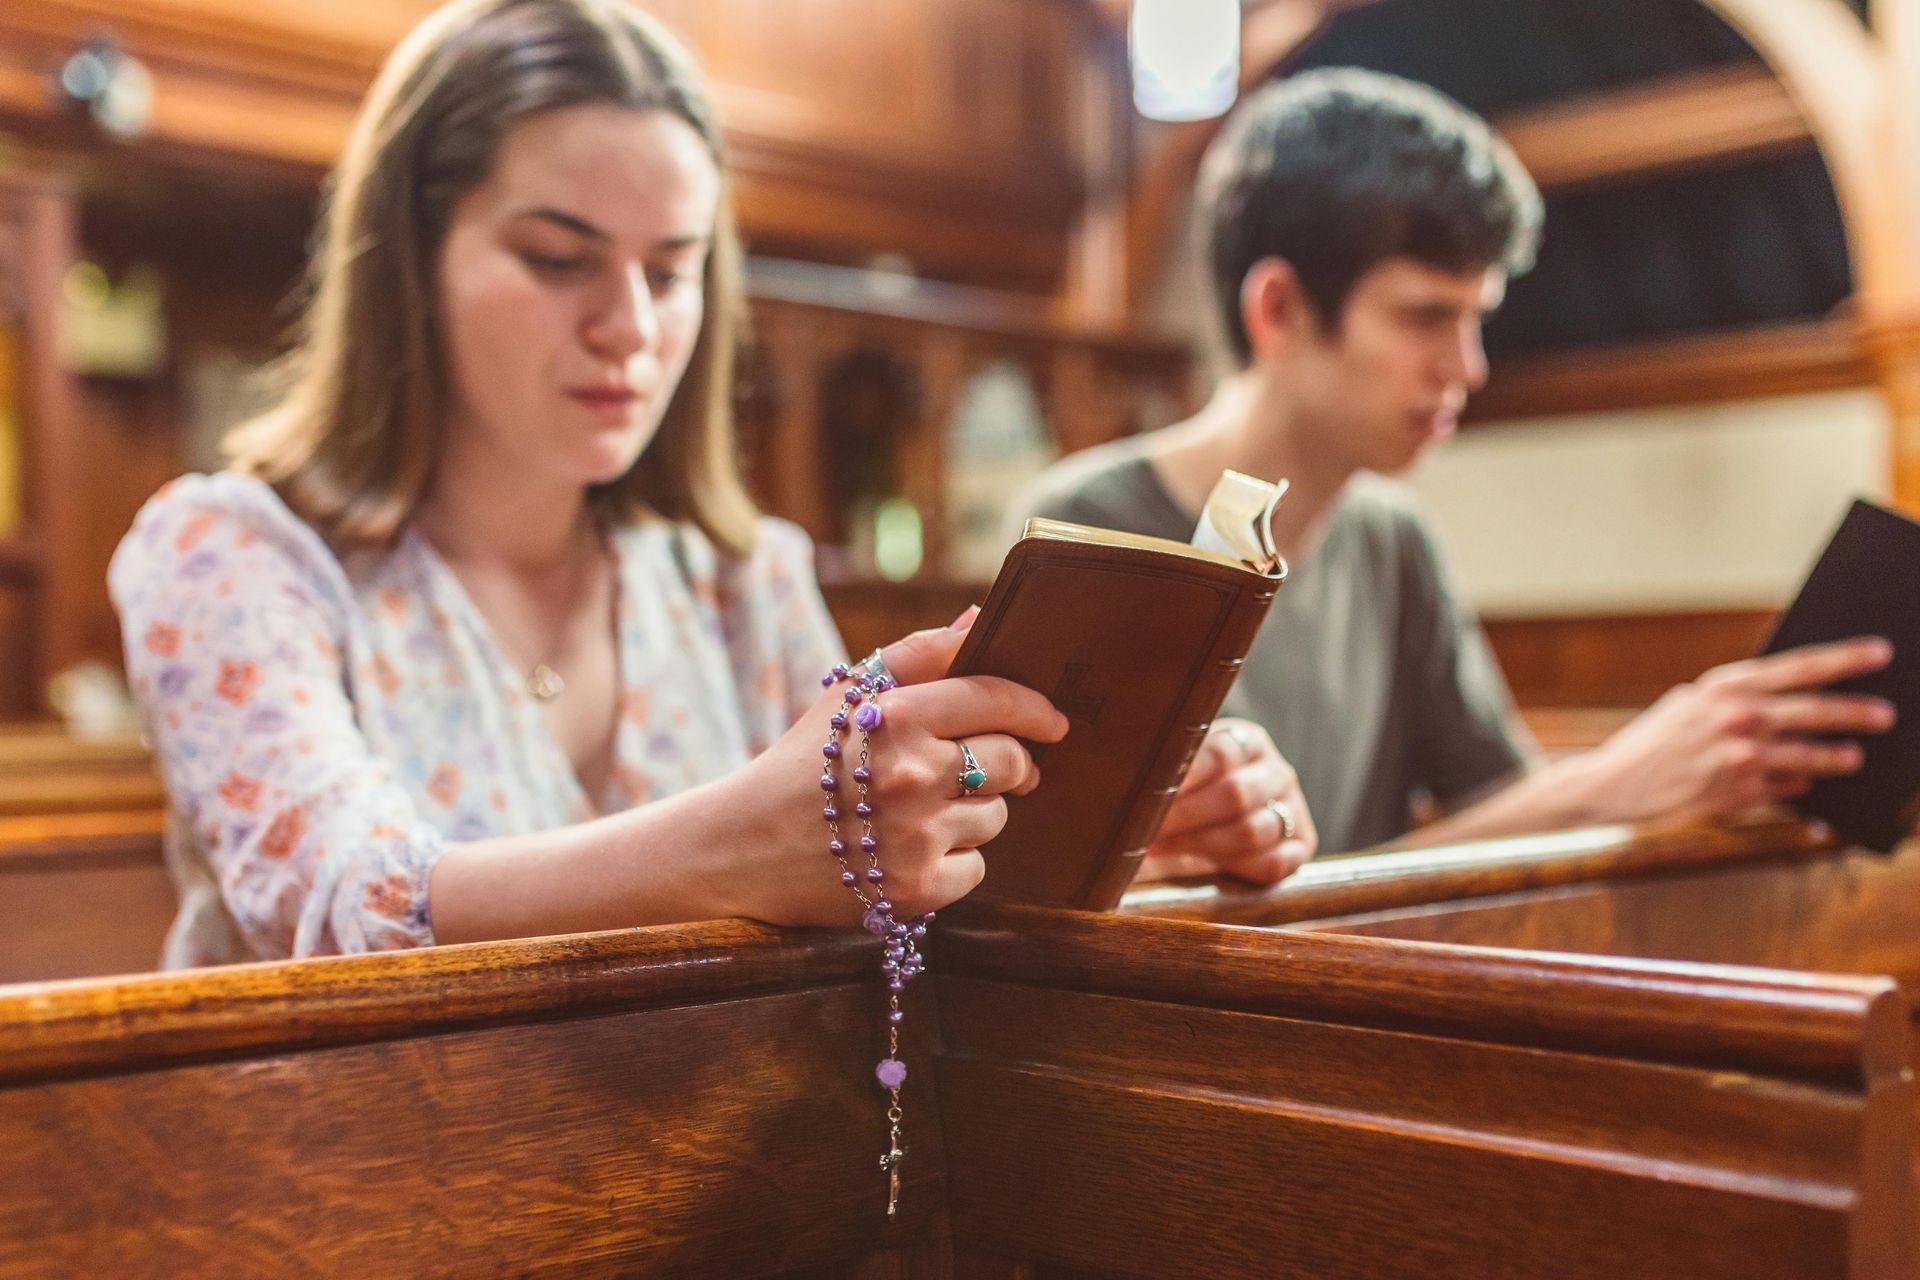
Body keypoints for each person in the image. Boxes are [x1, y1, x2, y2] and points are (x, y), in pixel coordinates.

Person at [109, 0, 1306, 968]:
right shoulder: (230, 550)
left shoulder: (742, 573)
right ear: (408, 264)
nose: (628, 326)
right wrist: (752, 841)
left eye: (672, 271)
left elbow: (875, 893)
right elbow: (334, 911)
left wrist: (1117, 832)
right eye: (557, 258)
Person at [1019, 68, 1893, 861]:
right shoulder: (1090, 523)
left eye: (1476, 319)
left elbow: (1493, 809)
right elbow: (1173, 907)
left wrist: (1689, 774)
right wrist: (1615, 781)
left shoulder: (1393, 539)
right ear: (1279, 309)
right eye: (1427, 317)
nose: (1468, 368)